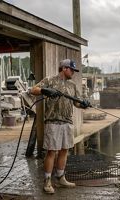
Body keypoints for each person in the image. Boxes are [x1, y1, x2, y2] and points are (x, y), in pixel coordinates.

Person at [30, 58, 90, 194]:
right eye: (72, 69)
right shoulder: (50, 80)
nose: (73, 72)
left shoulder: (72, 85)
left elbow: (77, 103)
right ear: (64, 68)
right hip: (53, 121)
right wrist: (45, 91)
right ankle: (47, 182)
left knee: (64, 150)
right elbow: (33, 90)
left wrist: (84, 104)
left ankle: (61, 178)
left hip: (67, 122)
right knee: (51, 152)